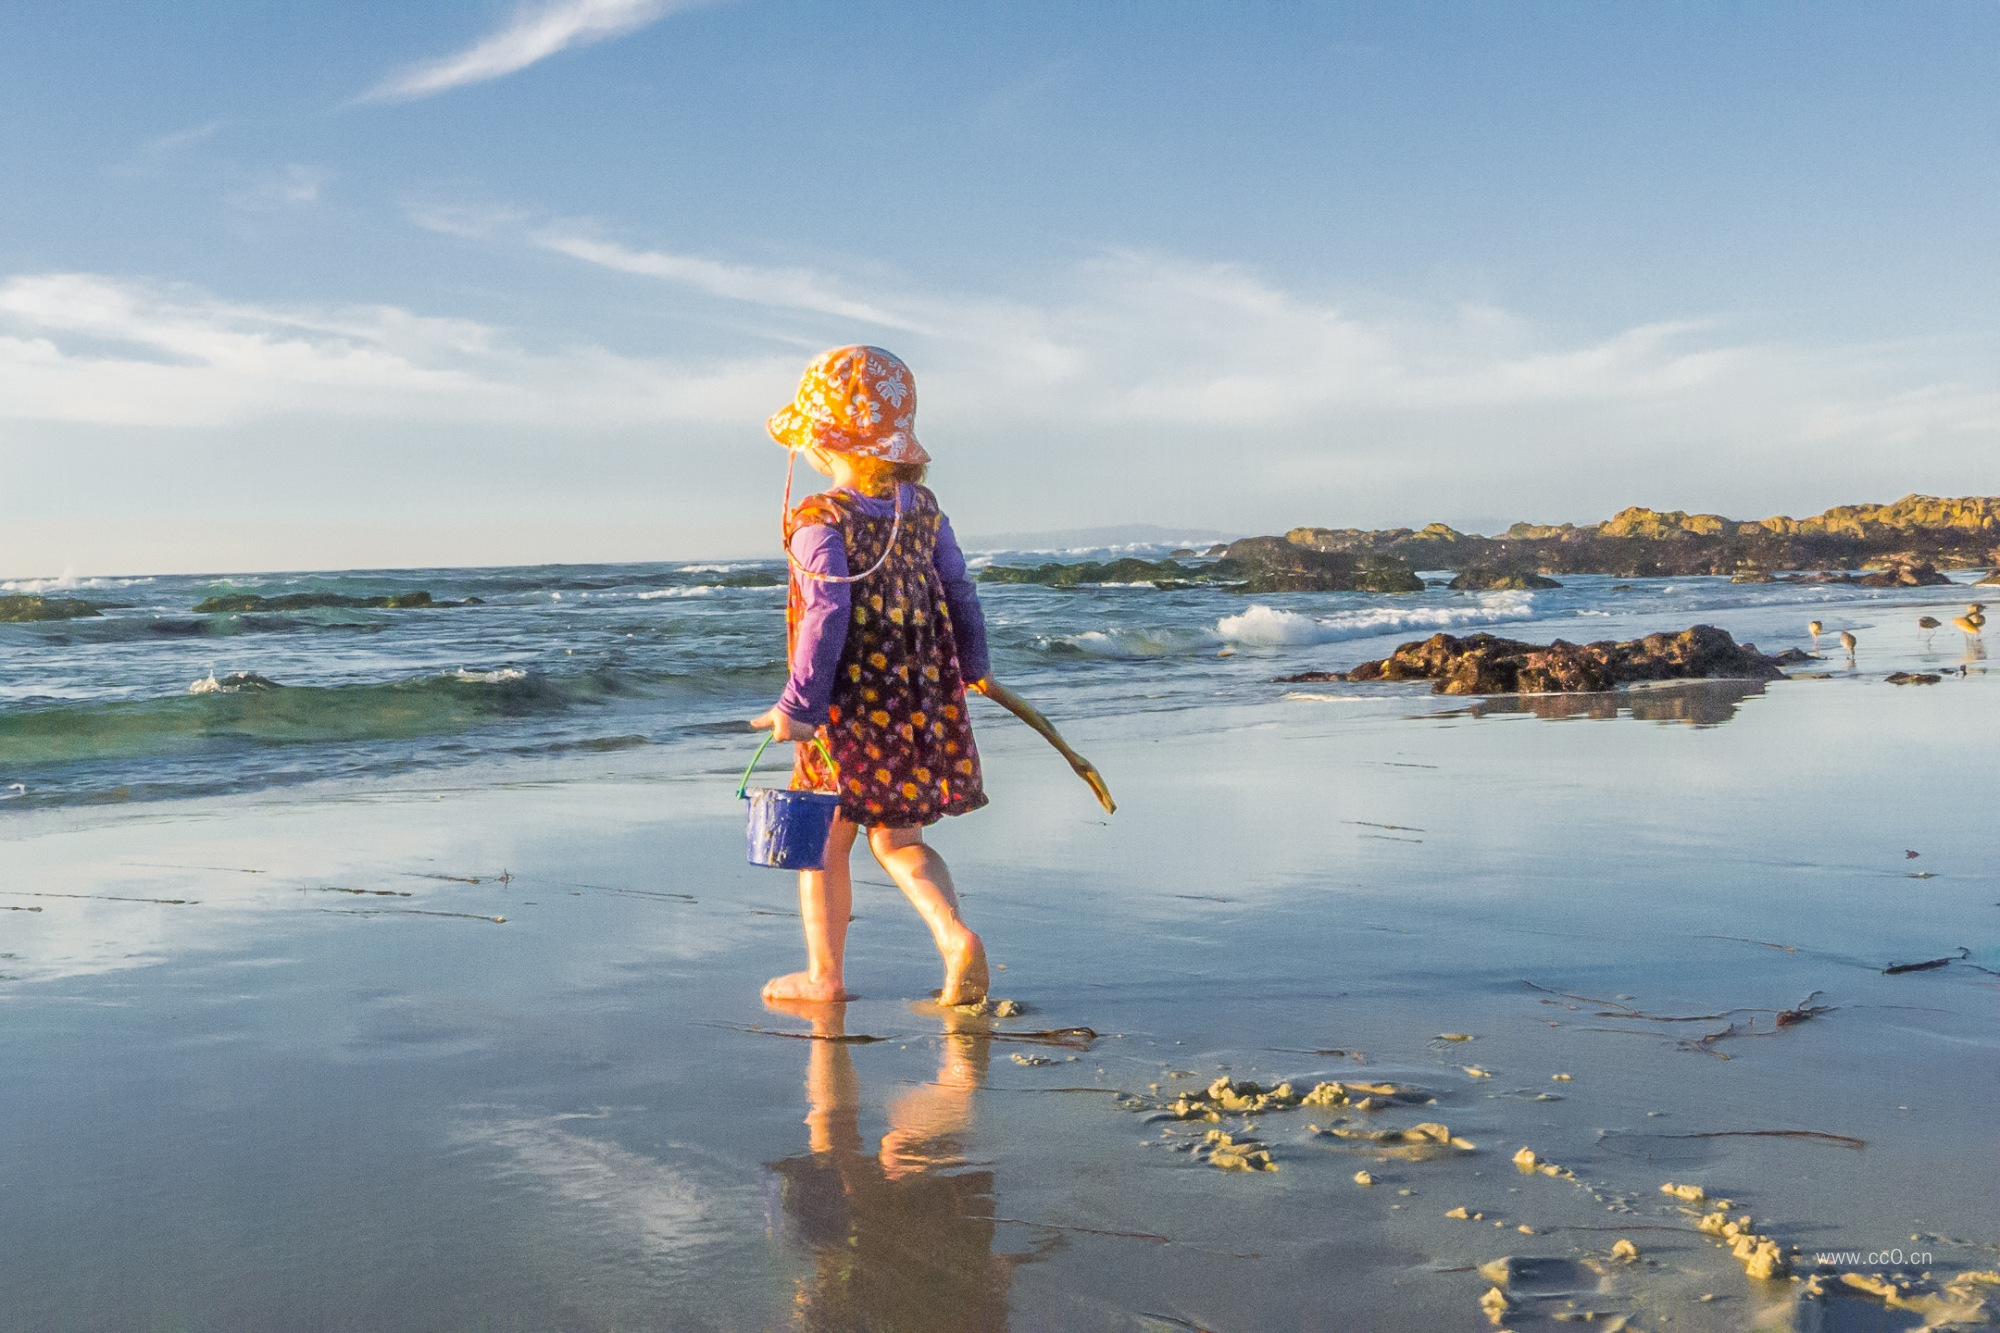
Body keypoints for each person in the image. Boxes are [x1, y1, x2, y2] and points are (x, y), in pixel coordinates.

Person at [751, 346, 992, 1007]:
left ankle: (823, 976)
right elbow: (958, 588)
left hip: (847, 711)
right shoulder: (923, 510)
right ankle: (954, 934)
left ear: (824, 440)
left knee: (825, 842)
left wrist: (798, 705)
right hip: (917, 702)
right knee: (899, 839)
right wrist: (973, 666)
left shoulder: (819, 519)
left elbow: (826, 611)